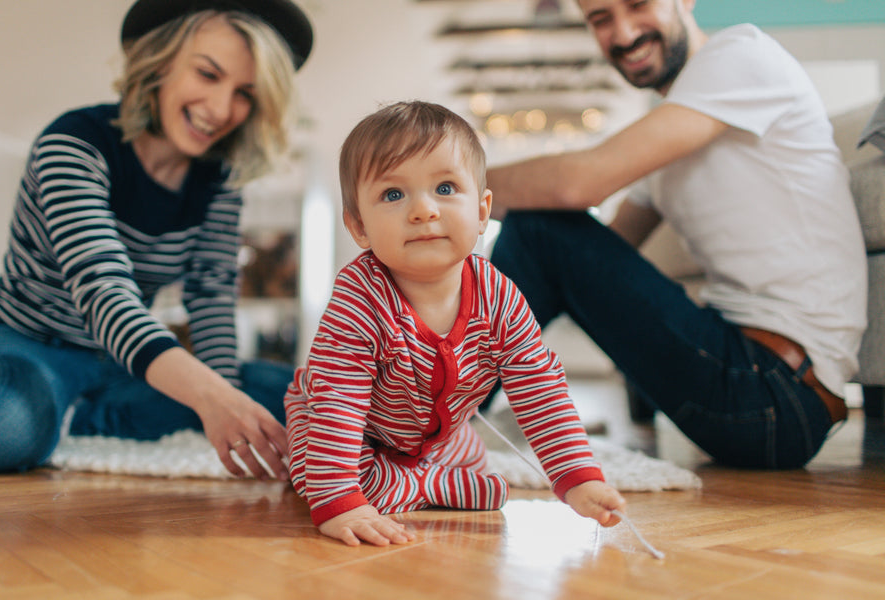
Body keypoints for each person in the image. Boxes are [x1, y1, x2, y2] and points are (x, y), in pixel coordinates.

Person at [0, 0, 314, 479]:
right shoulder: (73, 143)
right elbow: (102, 290)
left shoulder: (220, 180)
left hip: (121, 365)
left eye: (245, 94)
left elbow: (210, 294)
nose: (221, 109)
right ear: (161, 61)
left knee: (294, 394)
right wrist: (209, 398)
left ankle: (71, 416)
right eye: (208, 74)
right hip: (29, 345)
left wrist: (228, 398)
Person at [485, 0, 867, 469]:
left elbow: (578, 185)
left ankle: (435, 424)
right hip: (755, 384)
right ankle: (432, 409)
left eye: (637, 5)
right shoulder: (675, 127)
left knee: (535, 228)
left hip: (774, 391)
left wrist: (439, 185)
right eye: (600, 18)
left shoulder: (741, 55)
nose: (623, 34)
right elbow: (602, 255)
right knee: (540, 233)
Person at [284, 101, 625, 547]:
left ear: (483, 211)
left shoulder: (499, 296)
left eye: (445, 188)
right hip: (345, 430)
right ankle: (430, 485)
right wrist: (338, 499)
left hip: (438, 440)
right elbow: (338, 403)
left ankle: (424, 477)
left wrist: (577, 477)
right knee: (313, 475)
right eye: (393, 195)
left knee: (472, 458)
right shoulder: (359, 297)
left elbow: (539, 387)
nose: (424, 210)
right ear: (359, 227)